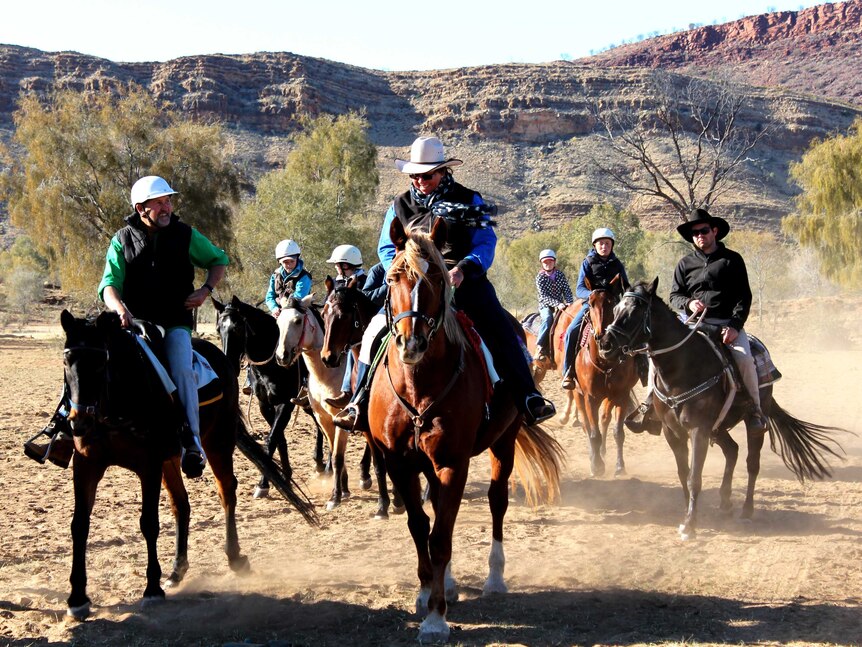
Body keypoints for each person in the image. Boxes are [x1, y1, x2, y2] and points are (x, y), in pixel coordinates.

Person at [335, 135, 555, 429]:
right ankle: (358, 401)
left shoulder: (470, 200)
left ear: (443, 171)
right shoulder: (398, 205)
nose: (420, 181)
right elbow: (387, 247)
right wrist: (400, 269)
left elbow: (485, 243)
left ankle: (528, 397)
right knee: (375, 329)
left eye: (427, 175)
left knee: (500, 327)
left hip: (463, 280)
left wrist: (463, 269)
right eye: (415, 175)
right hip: (412, 282)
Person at [625, 208, 768, 434]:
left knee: (744, 359)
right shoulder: (685, 264)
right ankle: (650, 404)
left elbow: (744, 297)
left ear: (715, 231)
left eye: (703, 230)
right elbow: (674, 295)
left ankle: (755, 411)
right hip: (691, 324)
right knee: (656, 355)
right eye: (695, 233)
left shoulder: (732, 260)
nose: (699, 235)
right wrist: (689, 303)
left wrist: (734, 326)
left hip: (725, 323)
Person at [561, 227, 629, 390]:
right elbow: (579, 289)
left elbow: (626, 286)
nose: (604, 246)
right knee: (571, 331)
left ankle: (641, 367)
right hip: (592, 305)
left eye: (607, 243)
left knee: (633, 330)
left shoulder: (617, 264)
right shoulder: (588, 262)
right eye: (601, 244)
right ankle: (568, 372)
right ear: (595, 245)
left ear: (611, 245)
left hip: (613, 305)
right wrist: (593, 294)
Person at [250, 238, 313, 404]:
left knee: (304, 342)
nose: (288, 264)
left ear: (297, 259)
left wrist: (283, 307)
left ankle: (306, 381)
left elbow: (298, 297)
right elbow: (269, 296)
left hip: (297, 313)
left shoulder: (304, 276)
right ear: (280, 261)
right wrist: (274, 308)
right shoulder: (275, 275)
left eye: (291, 261)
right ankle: (251, 379)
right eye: (285, 262)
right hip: (278, 313)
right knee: (257, 337)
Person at [326, 260, 387, 412]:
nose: (337, 268)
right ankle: (345, 390)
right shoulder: (378, 269)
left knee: (356, 342)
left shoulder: (362, 278)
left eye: (340, 265)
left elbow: (368, 296)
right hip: (357, 319)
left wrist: (391, 285)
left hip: (376, 314)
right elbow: (368, 294)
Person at [534, 248, 573, 361]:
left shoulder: (560, 275)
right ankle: (540, 346)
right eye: (545, 262)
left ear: (554, 262)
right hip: (546, 305)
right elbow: (544, 296)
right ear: (541, 263)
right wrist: (558, 304)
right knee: (547, 318)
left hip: (561, 305)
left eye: (550, 261)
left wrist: (569, 302)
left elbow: (567, 290)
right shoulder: (540, 277)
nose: (547, 264)